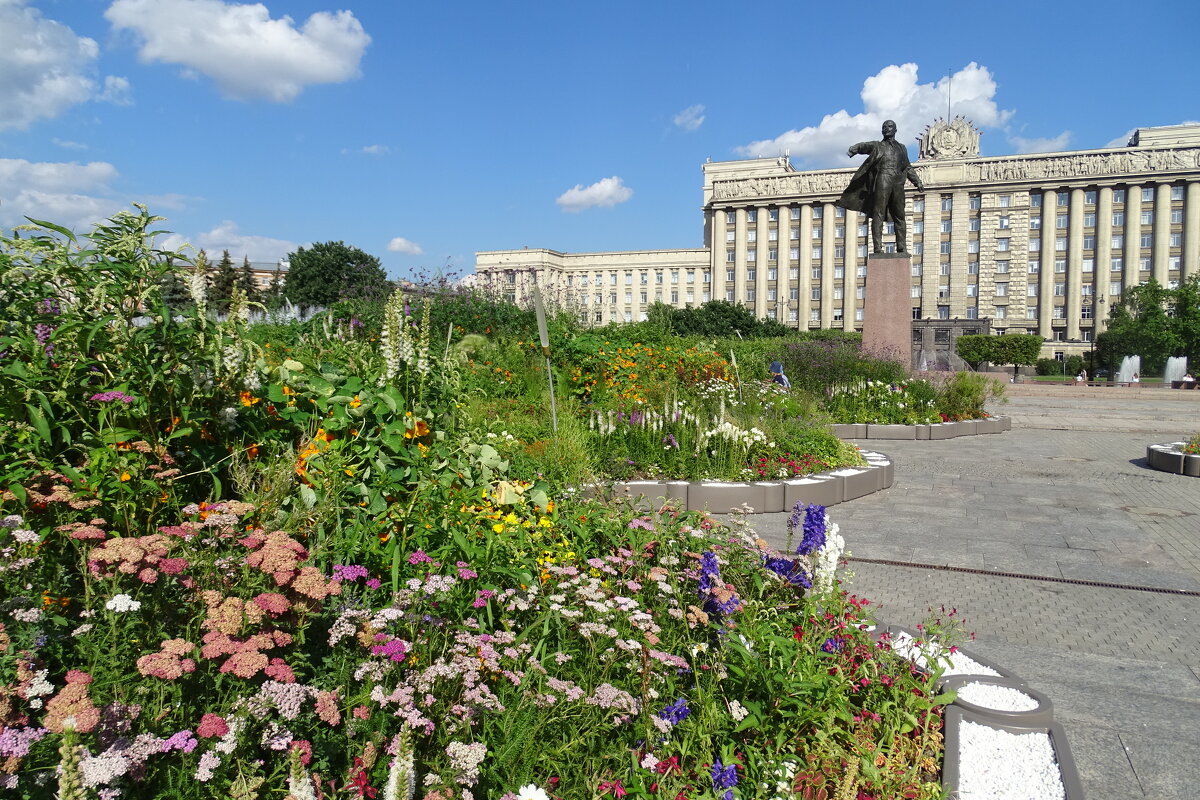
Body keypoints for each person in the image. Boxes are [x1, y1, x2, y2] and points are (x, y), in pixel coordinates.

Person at [836, 120, 926, 254]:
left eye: (889, 126)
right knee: (878, 213)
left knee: (899, 214)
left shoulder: (902, 148)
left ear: (895, 130)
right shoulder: (877, 146)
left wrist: (917, 181)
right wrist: (854, 149)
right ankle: (877, 247)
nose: (886, 129)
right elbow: (864, 146)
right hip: (883, 179)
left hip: (898, 182)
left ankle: (901, 246)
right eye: (884, 127)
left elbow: (907, 167)